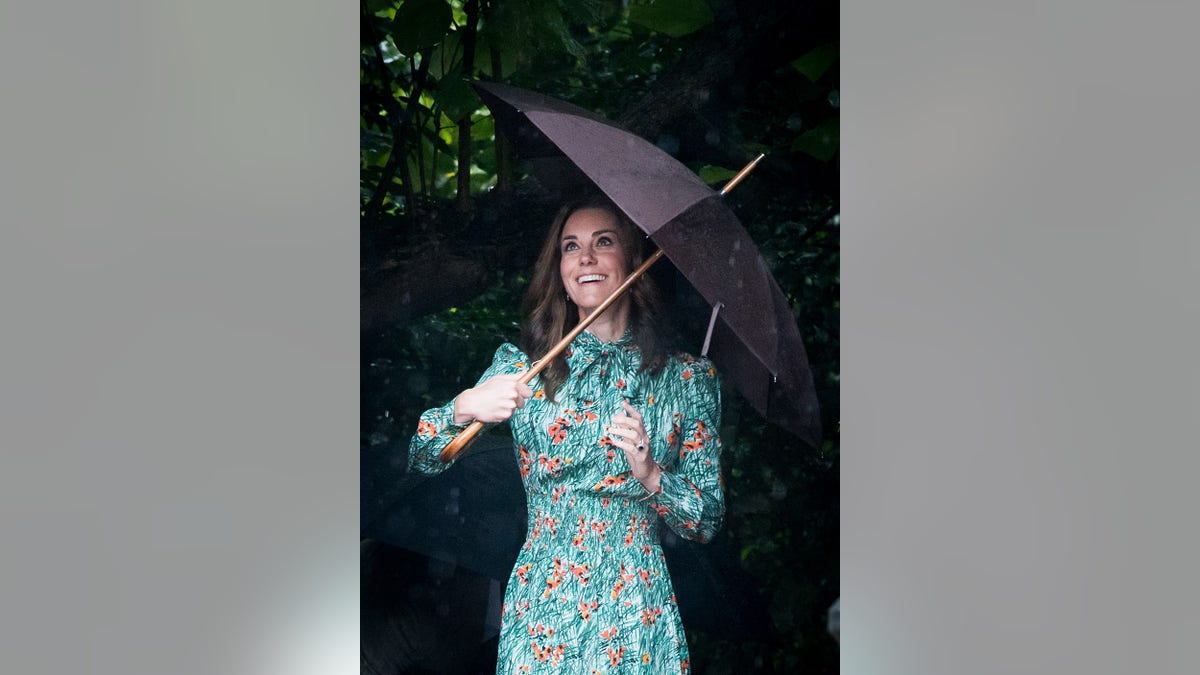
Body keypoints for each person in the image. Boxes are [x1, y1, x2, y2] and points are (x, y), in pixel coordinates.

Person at [407, 195, 725, 674]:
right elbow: (423, 455)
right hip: (544, 607)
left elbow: (705, 521)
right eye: (571, 247)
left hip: (637, 610)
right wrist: (464, 407)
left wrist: (652, 474)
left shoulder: (686, 380)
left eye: (604, 242)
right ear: (559, 269)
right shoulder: (521, 369)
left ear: (632, 258)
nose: (587, 258)